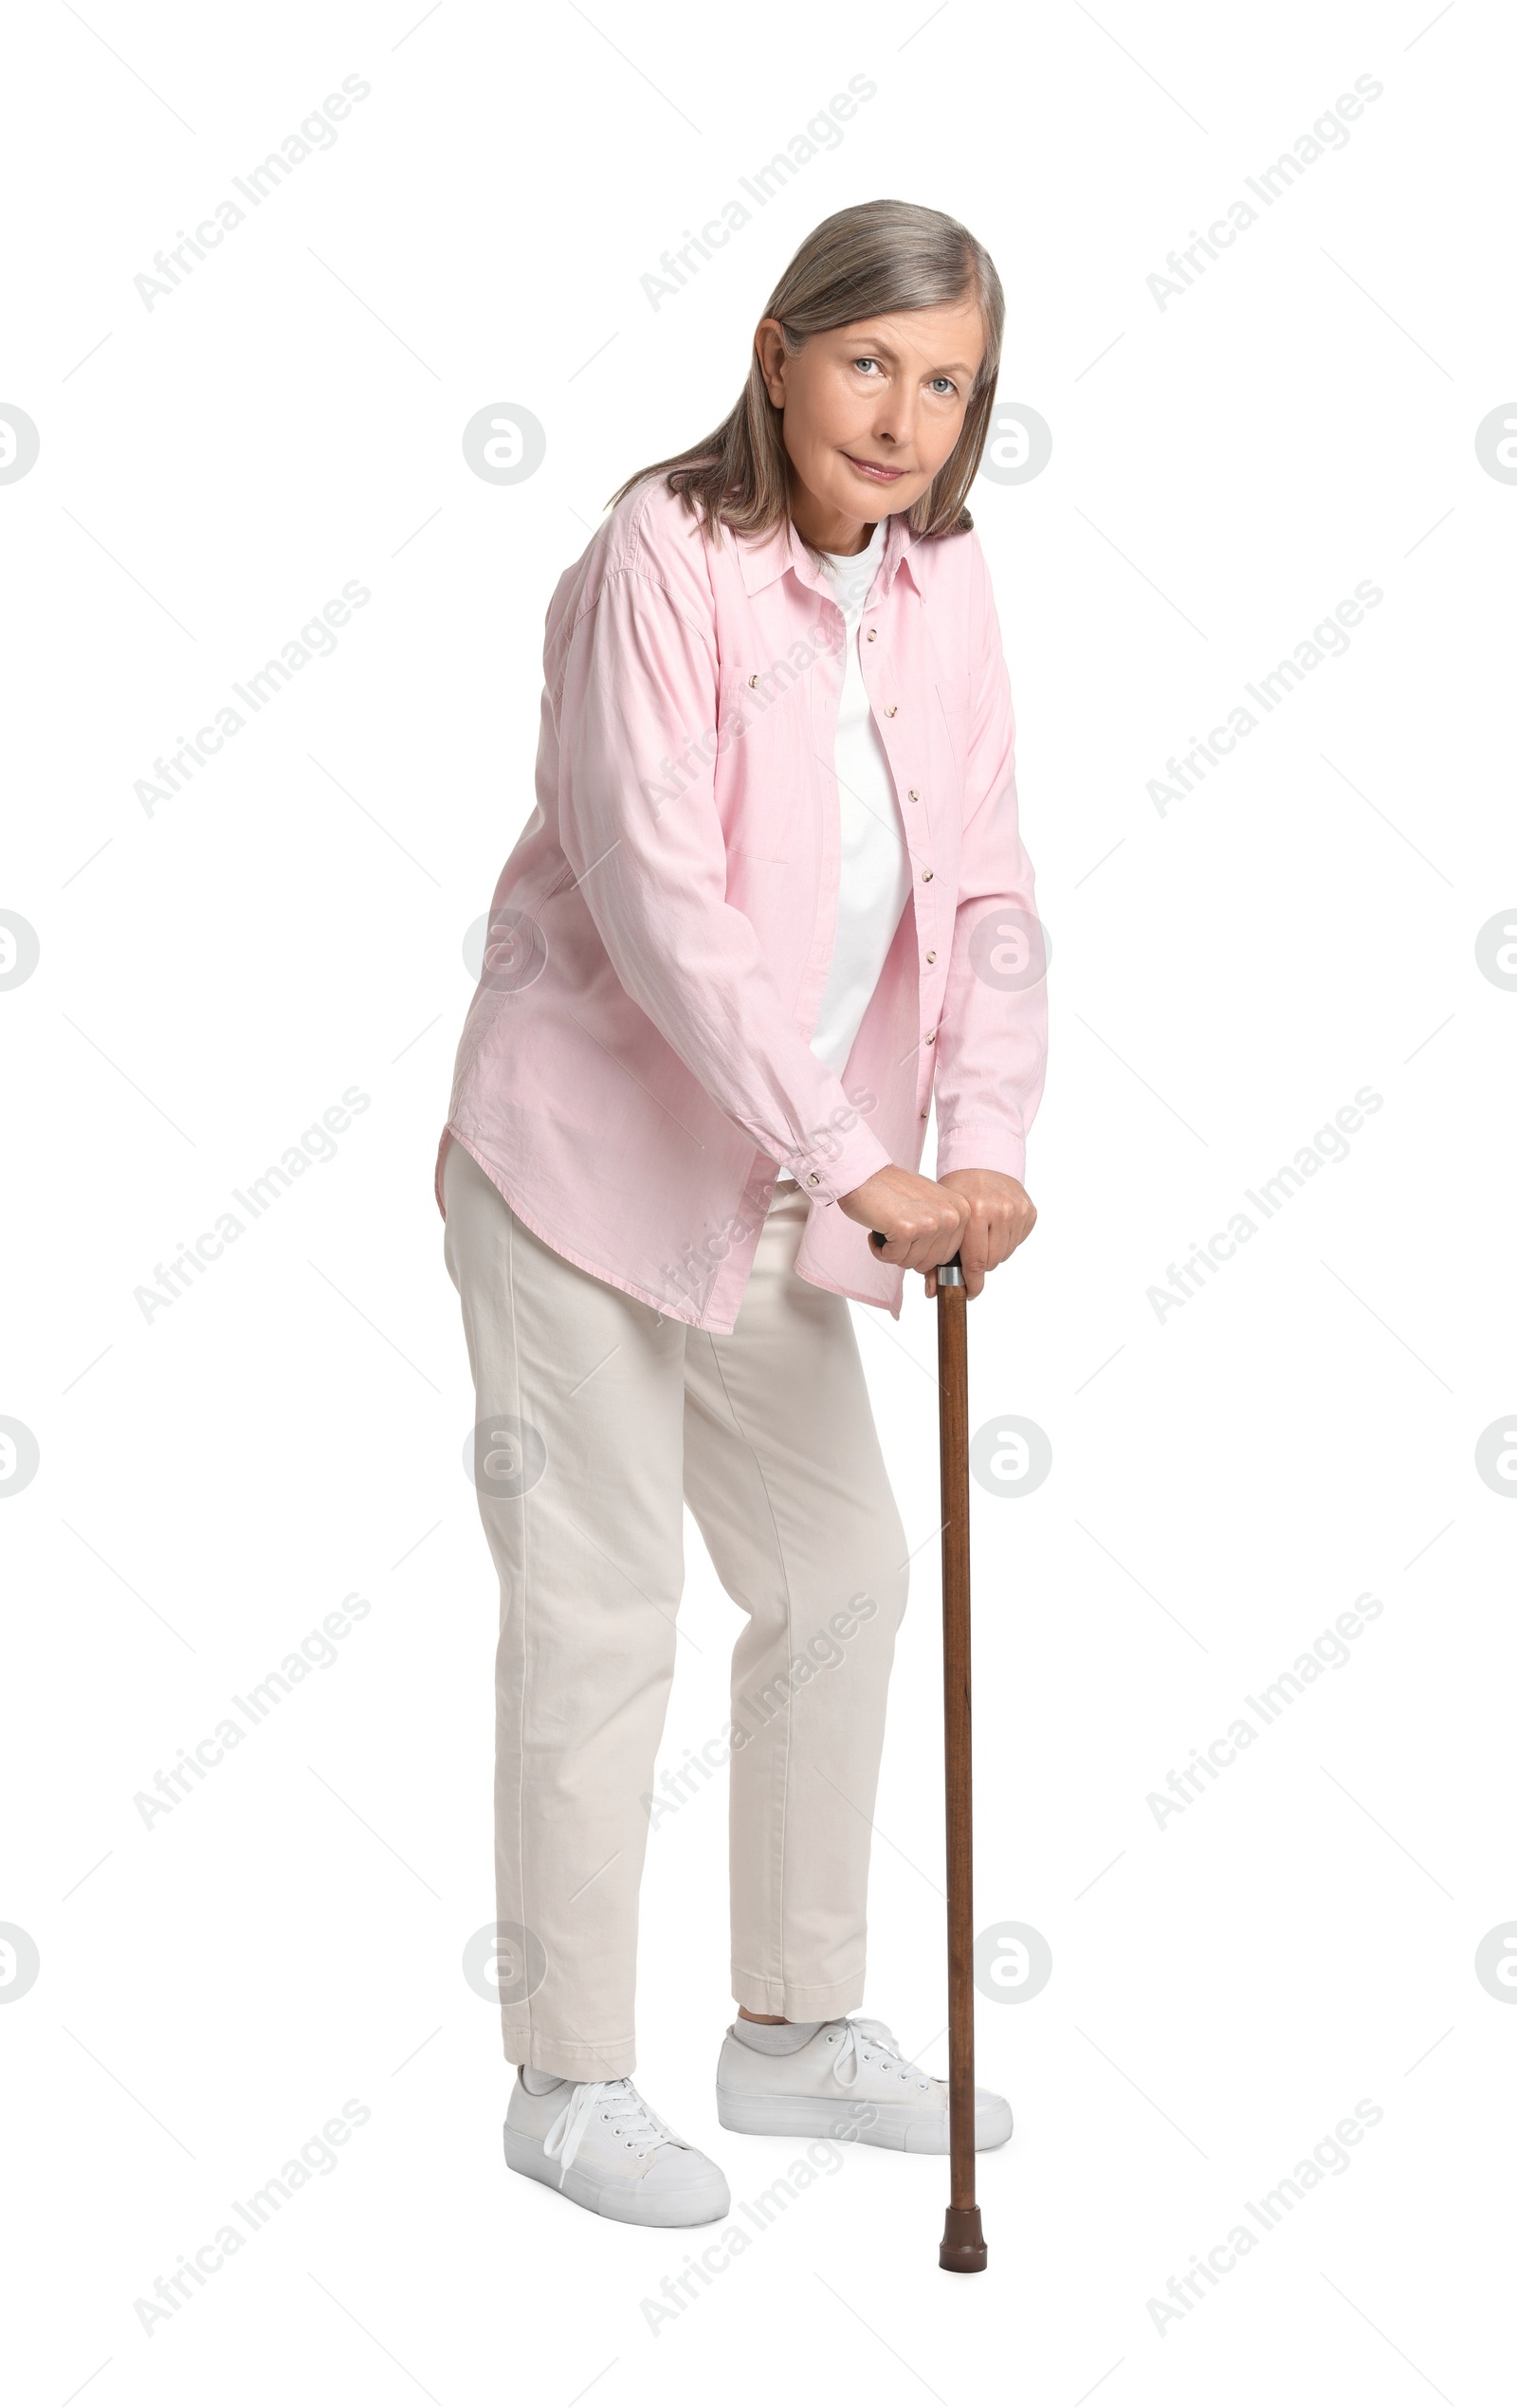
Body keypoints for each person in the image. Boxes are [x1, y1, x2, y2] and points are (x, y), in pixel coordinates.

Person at [437, 197, 1047, 2228]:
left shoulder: (940, 583)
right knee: (602, 1611)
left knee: (843, 1574)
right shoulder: (659, 556)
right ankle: (565, 2081)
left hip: (786, 1179)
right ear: (779, 349)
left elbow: (979, 887)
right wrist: (852, 1158)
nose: (903, 414)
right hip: (586, 1169)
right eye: (870, 361)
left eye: (946, 380)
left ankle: (786, 2030)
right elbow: (658, 898)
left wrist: (981, 1139)